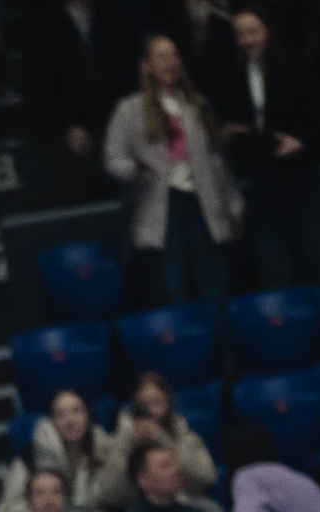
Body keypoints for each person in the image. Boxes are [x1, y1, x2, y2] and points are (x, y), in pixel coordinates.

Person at [104, 36, 243, 308]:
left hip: (200, 201)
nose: (170, 63)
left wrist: (234, 205)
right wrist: (136, 170)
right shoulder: (130, 109)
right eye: (162, 57)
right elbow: (113, 157)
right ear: (146, 66)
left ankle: (220, 347)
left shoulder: (196, 105)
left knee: (213, 285)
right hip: (161, 204)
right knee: (171, 287)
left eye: (174, 56)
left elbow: (216, 162)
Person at [211, 4, 320, 289]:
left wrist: (300, 143)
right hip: (261, 178)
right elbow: (228, 127)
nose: (248, 40)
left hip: (299, 175)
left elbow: (319, 123)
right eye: (241, 34)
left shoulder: (294, 69)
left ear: (268, 32)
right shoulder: (230, 77)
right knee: (273, 261)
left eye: (253, 32)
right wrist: (248, 134)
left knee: (311, 256)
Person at [16, 0, 144, 205]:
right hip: (67, 133)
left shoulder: (115, 19)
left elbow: (129, 76)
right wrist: (66, 126)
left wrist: (123, 120)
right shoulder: (43, 27)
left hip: (114, 121)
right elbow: (36, 90)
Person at [0, 390, 119, 512]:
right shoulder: (30, 459)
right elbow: (10, 511)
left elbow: (111, 502)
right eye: (61, 414)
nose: (70, 420)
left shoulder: (104, 451)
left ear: (87, 416)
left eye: (76, 411)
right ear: (51, 421)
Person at [96, 375, 219, 512]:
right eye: (143, 404)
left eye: (157, 403)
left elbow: (204, 480)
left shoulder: (186, 438)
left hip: (183, 510)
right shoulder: (120, 441)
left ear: (168, 404)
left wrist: (164, 441)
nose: (151, 411)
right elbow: (109, 494)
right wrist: (126, 442)